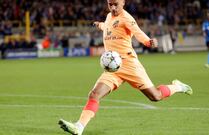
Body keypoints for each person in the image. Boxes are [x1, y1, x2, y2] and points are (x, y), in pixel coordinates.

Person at [58, 0, 193, 134]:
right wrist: (99, 25)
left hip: (129, 64)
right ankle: (79, 127)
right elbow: (108, 27)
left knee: (155, 96)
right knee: (94, 94)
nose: (113, 7)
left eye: (116, 4)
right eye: (110, 4)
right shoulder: (109, 16)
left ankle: (179, 86)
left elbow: (137, 31)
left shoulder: (127, 18)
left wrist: (148, 41)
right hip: (113, 68)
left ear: (123, 3)